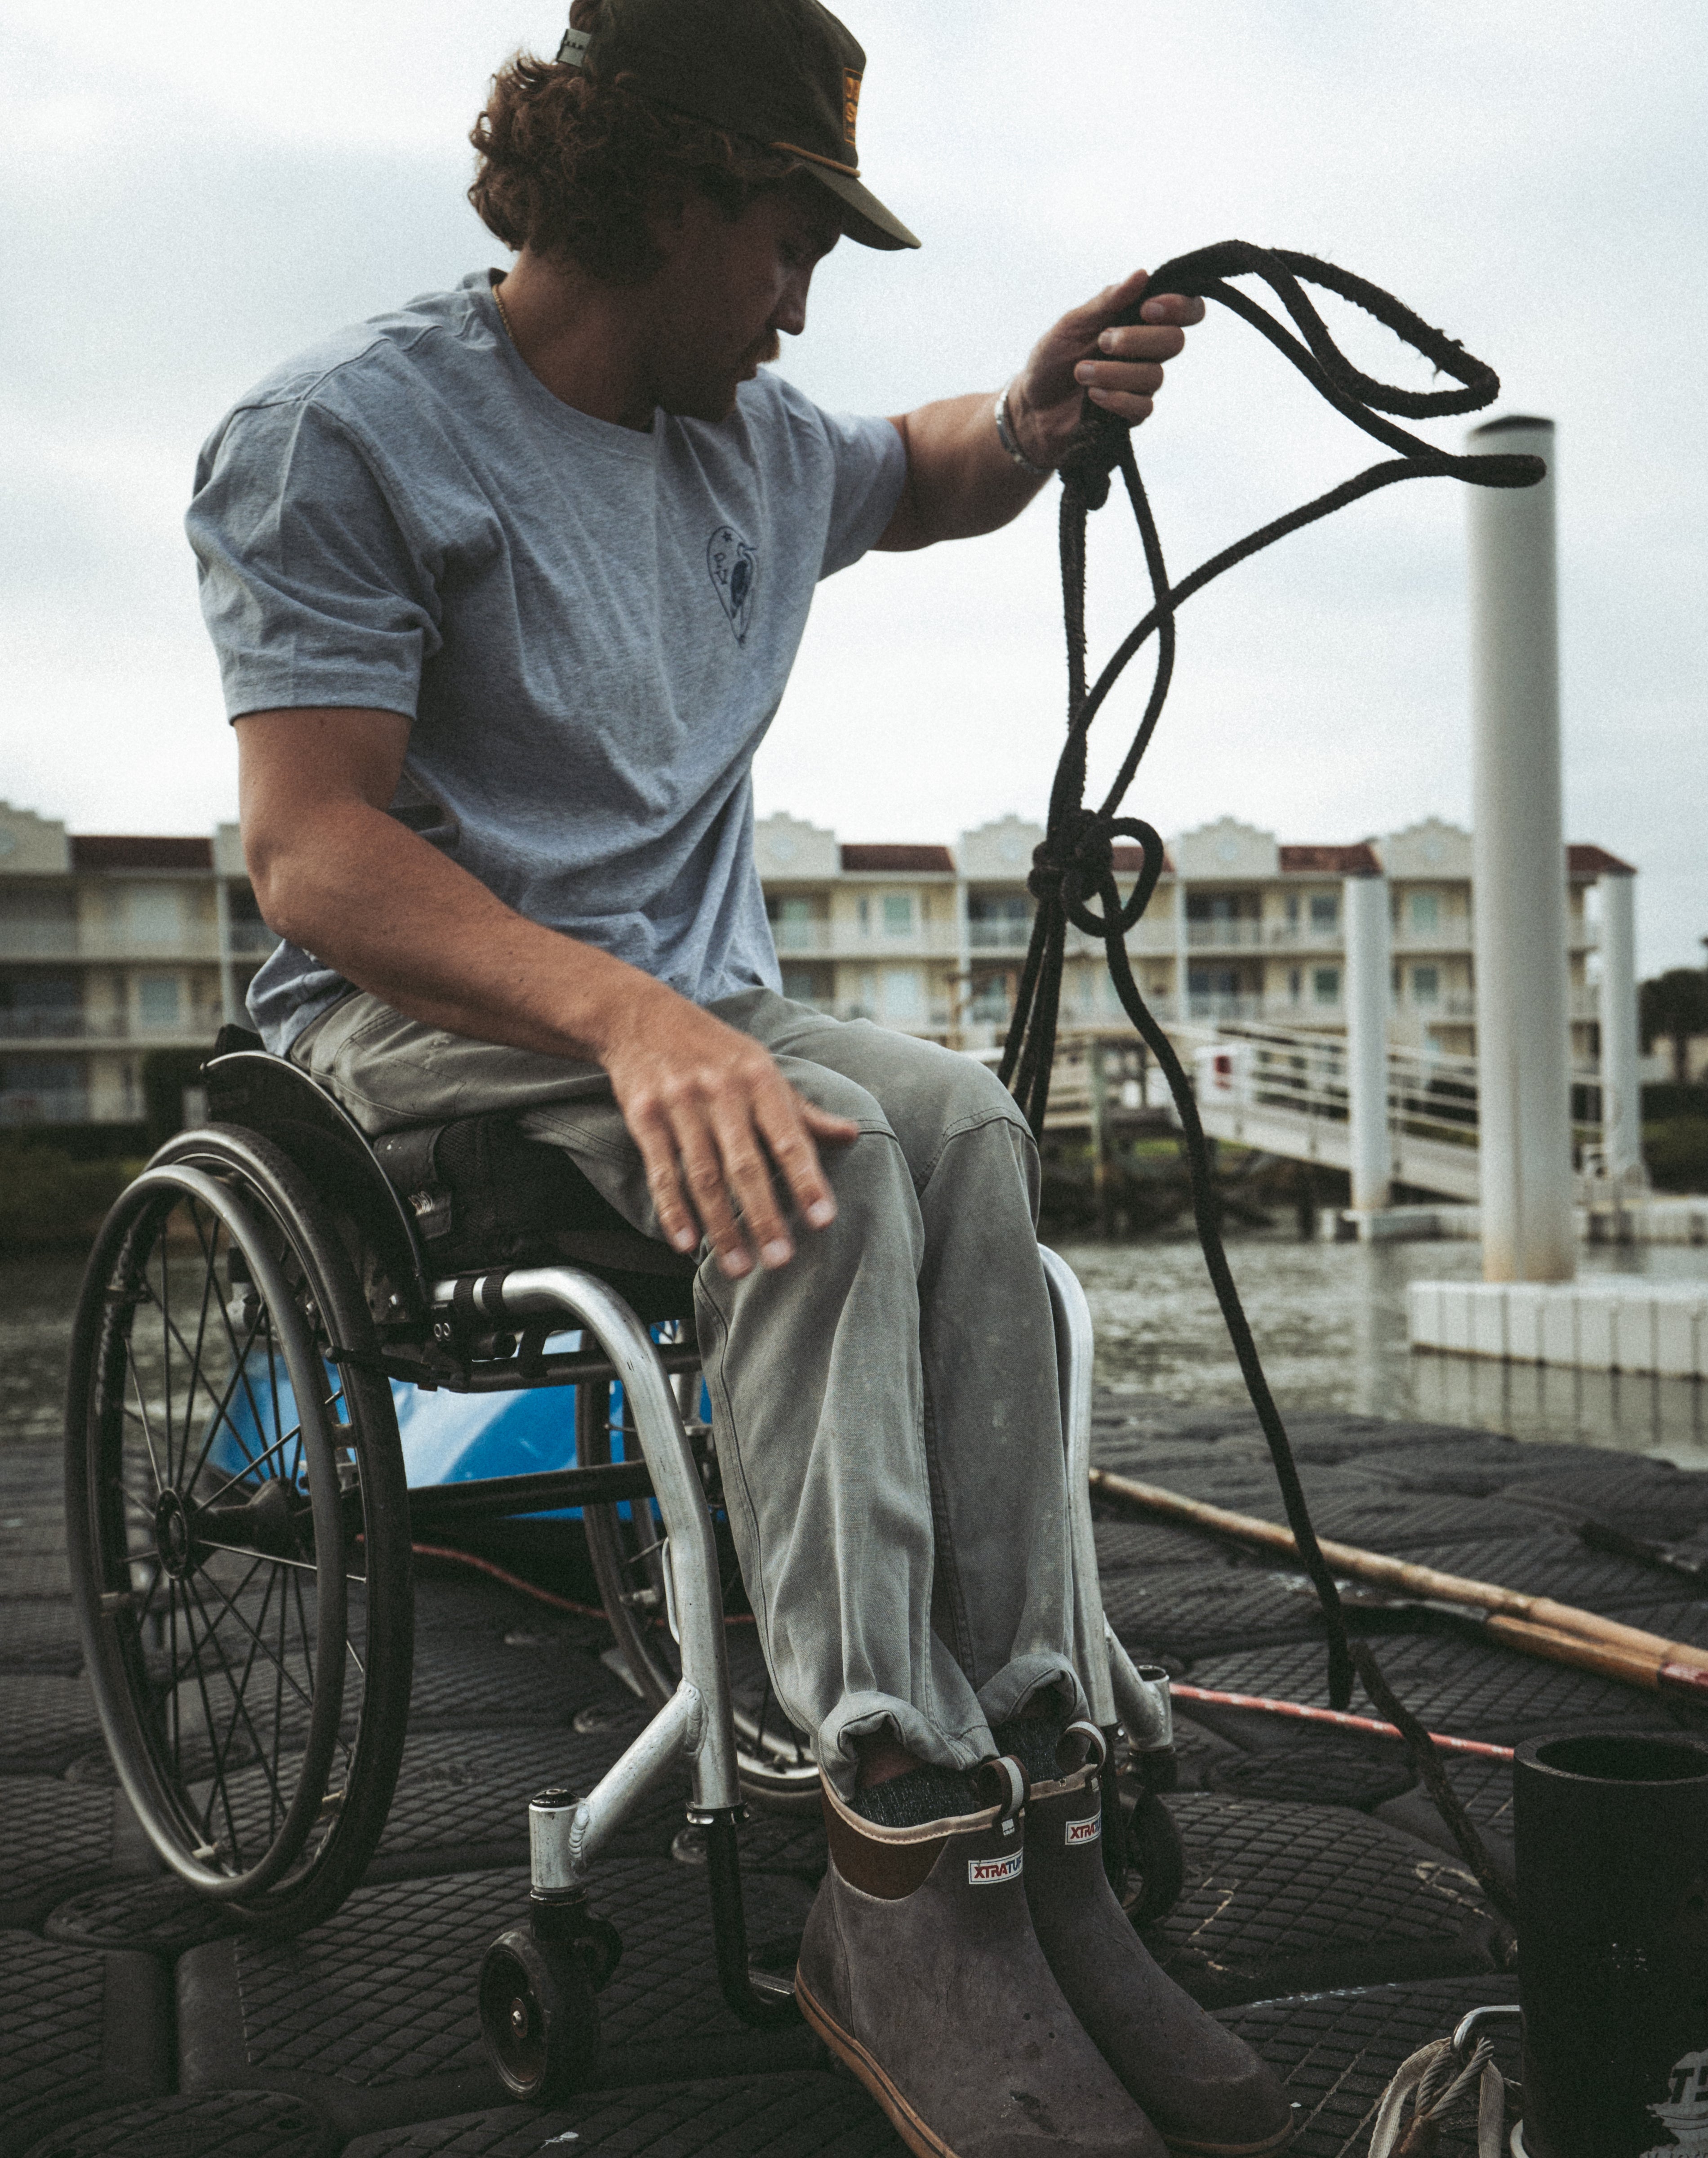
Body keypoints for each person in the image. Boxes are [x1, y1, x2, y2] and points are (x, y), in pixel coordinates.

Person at [187, 2, 1290, 2151]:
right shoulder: (343, 432)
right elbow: (317, 852)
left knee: (954, 1115)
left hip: (688, 1022)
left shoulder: (750, 444)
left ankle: (1017, 1783)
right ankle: (879, 1822)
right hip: (423, 1036)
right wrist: (625, 1014)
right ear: (670, 195)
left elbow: (935, 465)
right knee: (826, 1146)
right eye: (793, 241)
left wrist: (1048, 408)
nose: (805, 304)